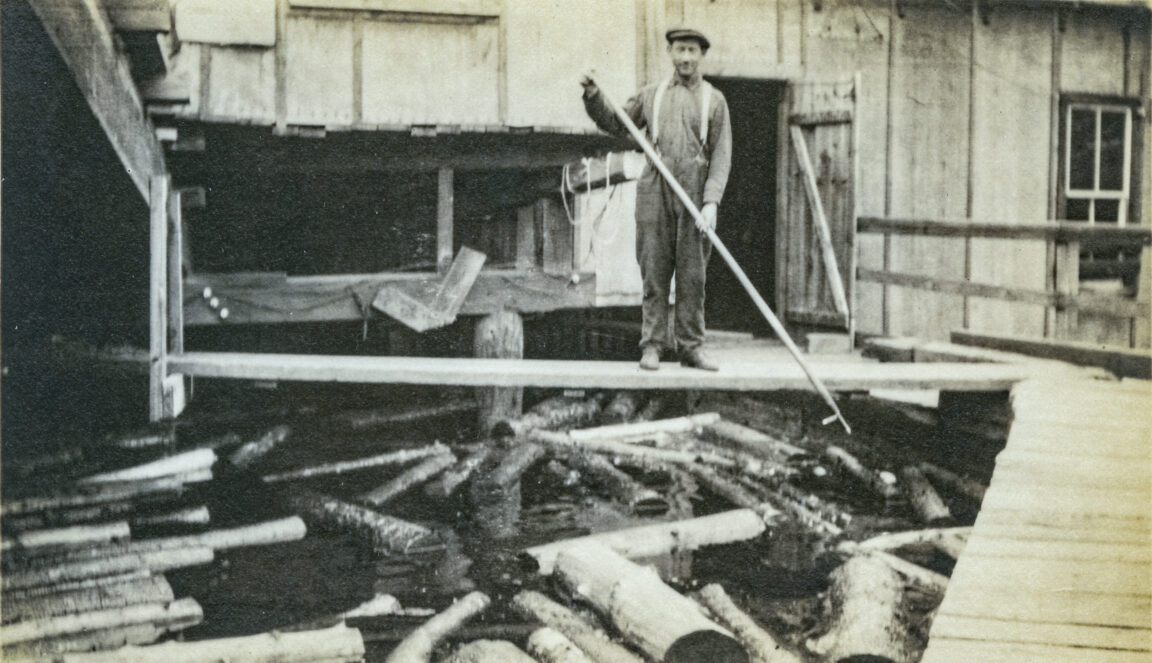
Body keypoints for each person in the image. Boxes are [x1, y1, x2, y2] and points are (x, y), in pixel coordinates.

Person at [580, 28, 732, 371]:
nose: (686, 58)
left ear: (701, 55)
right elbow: (616, 121)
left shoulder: (714, 100)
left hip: (694, 191)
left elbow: (721, 156)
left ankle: (691, 348)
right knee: (654, 269)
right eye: (680, 50)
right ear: (670, 52)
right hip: (655, 186)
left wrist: (711, 201)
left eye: (692, 50)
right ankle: (652, 346)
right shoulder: (653, 95)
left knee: (693, 276)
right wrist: (592, 94)